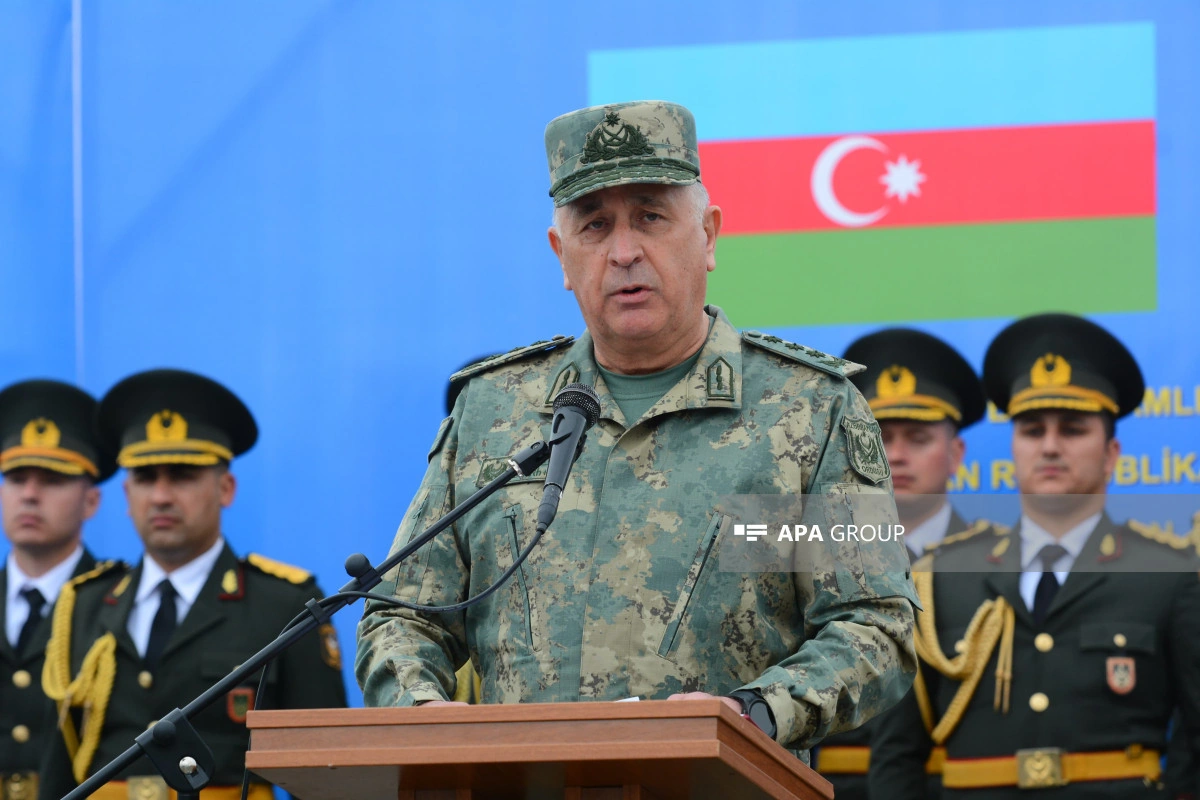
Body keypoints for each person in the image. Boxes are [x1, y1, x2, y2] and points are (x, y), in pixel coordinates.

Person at [356, 100, 918, 758]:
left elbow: (875, 625)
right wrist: (422, 713)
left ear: (707, 236)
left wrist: (754, 714)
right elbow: (403, 613)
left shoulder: (810, 409)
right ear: (561, 256)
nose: (624, 253)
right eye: (595, 226)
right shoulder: (492, 409)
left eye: (651, 217)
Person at [868, 313, 1200, 798]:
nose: (1049, 447)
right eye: (1031, 430)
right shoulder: (938, 578)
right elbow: (897, 756)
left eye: (1073, 429)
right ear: (1013, 448)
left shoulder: (1169, 574)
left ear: (1111, 453)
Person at [39, 369, 346, 800]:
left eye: (182, 475)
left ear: (226, 488)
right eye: (145, 478)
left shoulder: (285, 604)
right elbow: (60, 768)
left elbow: (325, 772)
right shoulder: (84, 604)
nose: (161, 496)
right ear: (126, 495)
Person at [815, 329, 985, 796]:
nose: (896, 455)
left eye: (919, 438)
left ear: (956, 453)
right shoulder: (810, 563)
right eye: (880, 437)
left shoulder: (995, 569)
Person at [0, 380, 116, 800]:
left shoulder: (120, 604)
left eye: (52, 479)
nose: (30, 495)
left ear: (91, 501)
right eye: (16, 478)